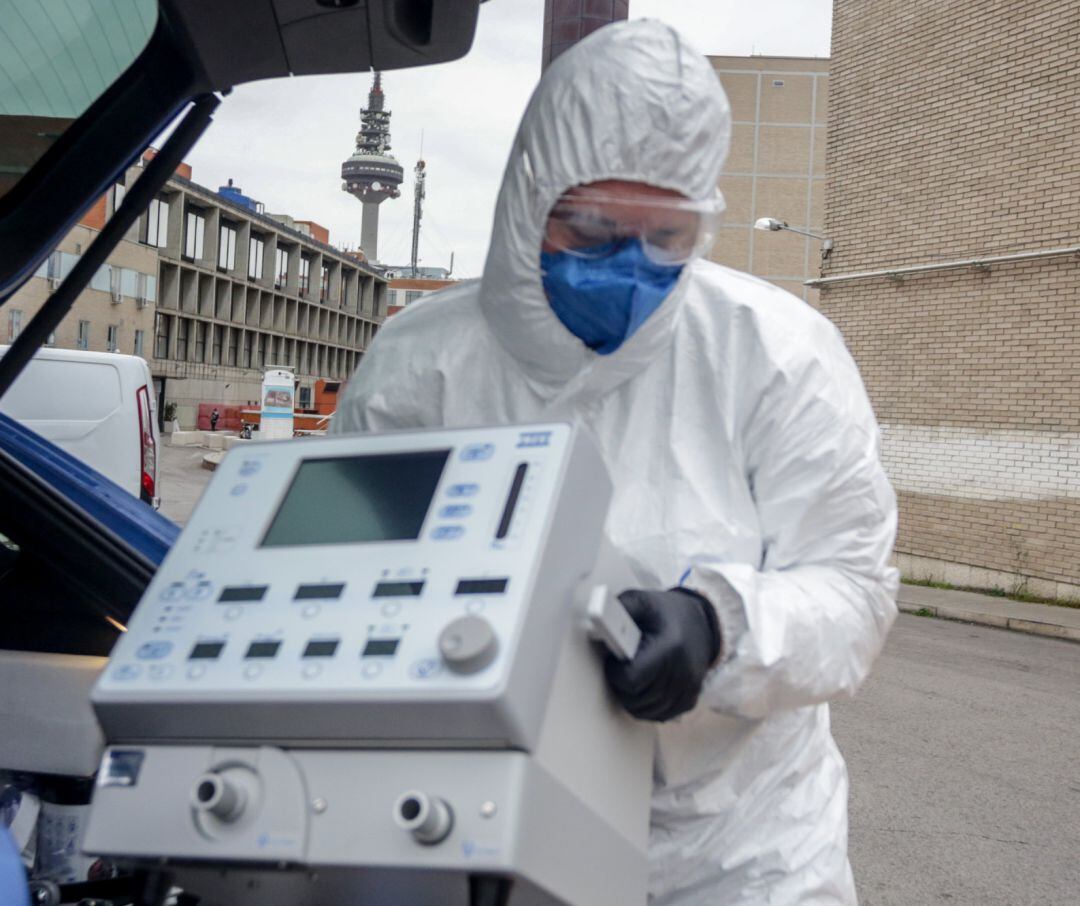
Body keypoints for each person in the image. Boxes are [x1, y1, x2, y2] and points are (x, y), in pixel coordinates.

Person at [333, 19, 898, 905]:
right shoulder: (421, 366)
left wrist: (720, 626)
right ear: (529, 202)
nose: (630, 268)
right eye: (592, 230)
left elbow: (853, 592)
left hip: (739, 855)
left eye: (667, 237)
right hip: (479, 825)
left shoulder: (777, 355)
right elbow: (342, 582)